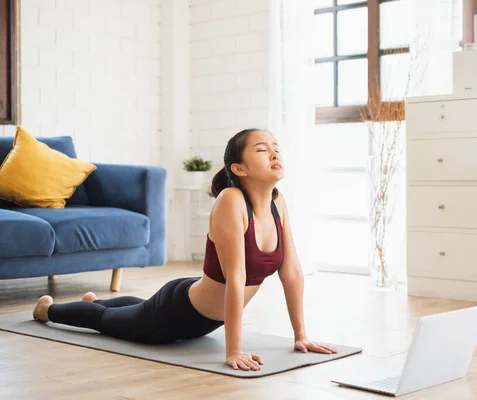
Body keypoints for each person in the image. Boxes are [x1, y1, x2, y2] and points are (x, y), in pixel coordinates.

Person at [32, 128, 337, 372]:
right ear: (239, 168)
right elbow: (236, 278)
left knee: (138, 307)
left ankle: (97, 300)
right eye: (262, 149)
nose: (274, 153)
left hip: (201, 312)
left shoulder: (277, 203)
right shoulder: (231, 200)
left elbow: (292, 272)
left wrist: (301, 337)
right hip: (176, 313)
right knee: (106, 323)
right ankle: (48, 310)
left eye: (276, 147)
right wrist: (233, 351)